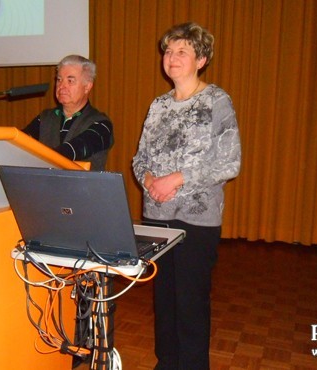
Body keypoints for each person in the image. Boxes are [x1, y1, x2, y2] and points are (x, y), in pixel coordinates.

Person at [132, 22, 241, 370]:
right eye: (168, 51)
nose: (172, 57)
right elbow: (139, 159)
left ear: (202, 60)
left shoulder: (216, 101)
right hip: (157, 216)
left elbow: (230, 162)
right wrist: (147, 178)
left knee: (190, 304)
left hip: (197, 218)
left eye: (182, 52)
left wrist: (176, 179)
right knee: (164, 303)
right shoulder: (158, 106)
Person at [22, 55, 113, 171]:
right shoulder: (45, 118)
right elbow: (22, 142)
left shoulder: (101, 124)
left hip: (83, 188)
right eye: (59, 80)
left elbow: (74, 149)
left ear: (87, 87)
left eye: (70, 81)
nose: (62, 86)